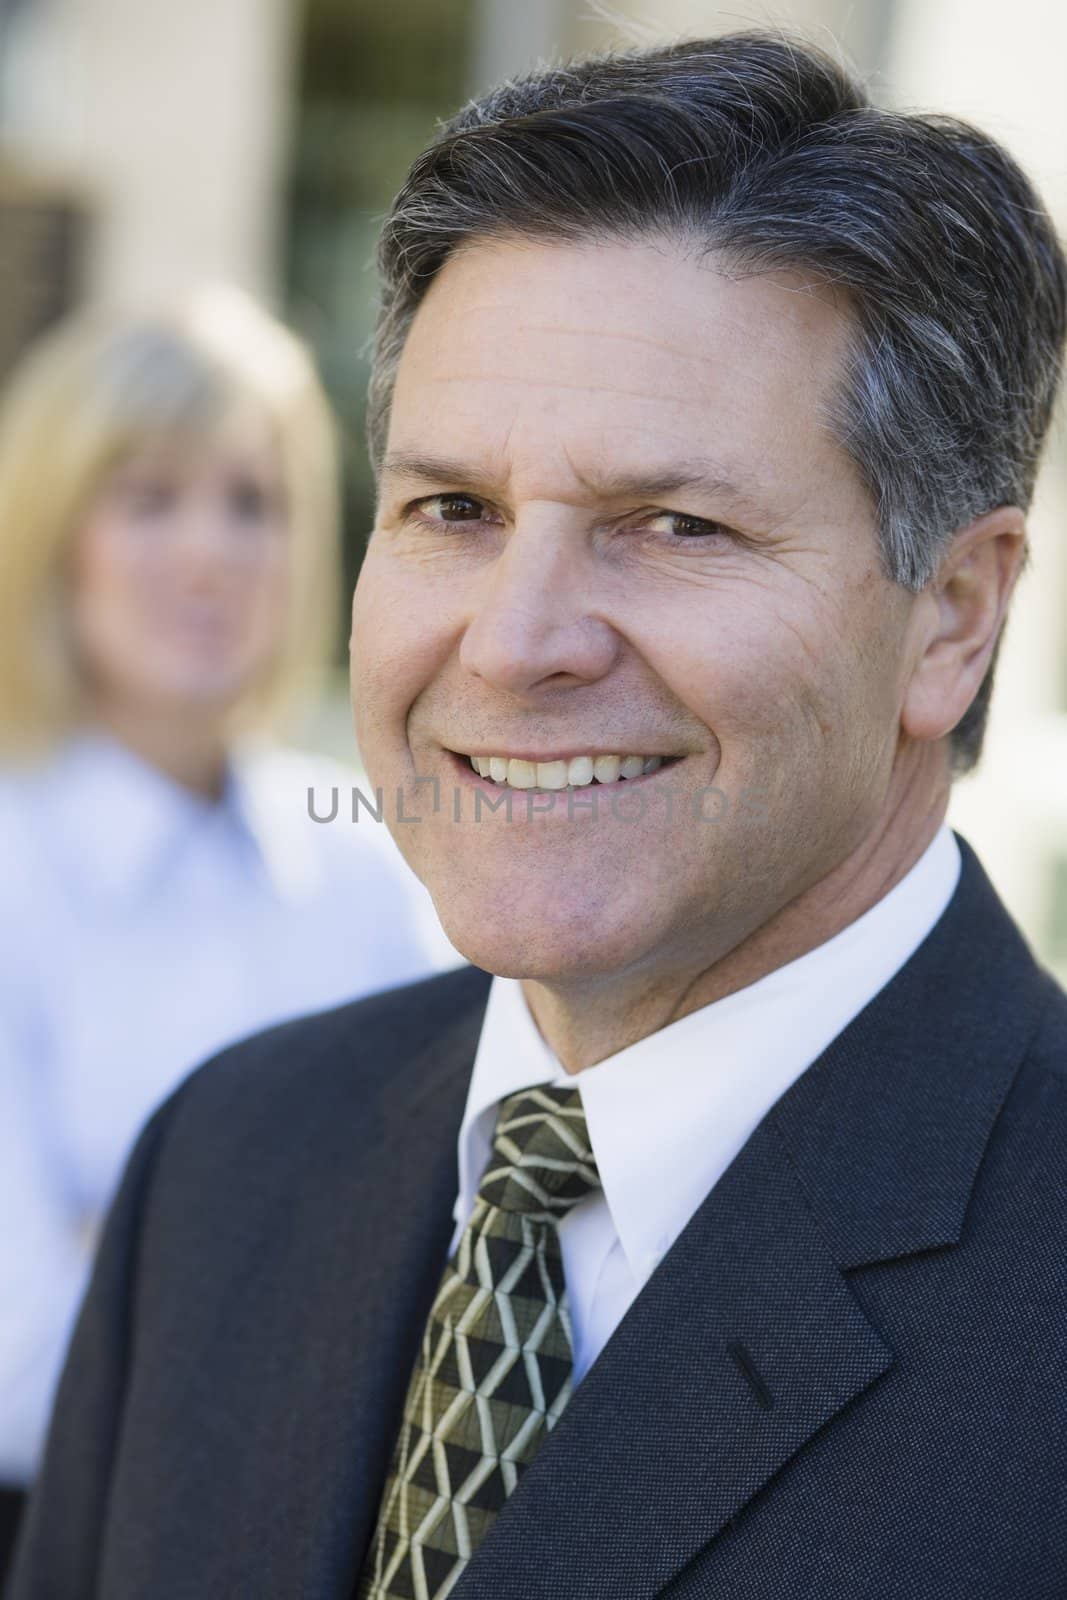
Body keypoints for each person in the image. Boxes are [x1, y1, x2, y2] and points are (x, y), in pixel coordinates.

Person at [7, 29, 1067, 1600]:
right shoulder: (228, 1169)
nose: (513, 642)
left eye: (673, 525)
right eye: (455, 511)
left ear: (953, 620)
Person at [0, 289, 455, 1579]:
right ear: (54, 541)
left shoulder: (375, 869)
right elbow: (21, 1367)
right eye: (148, 499)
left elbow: (472, 1265)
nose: (213, 552)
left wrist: (133, 1248)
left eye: (252, 503)